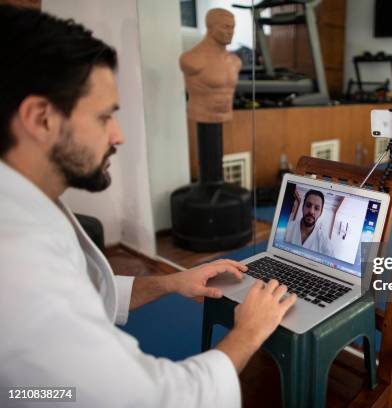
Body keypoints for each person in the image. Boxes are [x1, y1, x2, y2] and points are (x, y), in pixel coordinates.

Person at [0, 6, 295, 407]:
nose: (118, 136)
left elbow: (87, 296)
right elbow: (155, 399)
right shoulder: (18, 263)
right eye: (105, 117)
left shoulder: (25, 206)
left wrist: (170, 283)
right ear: (41, 118)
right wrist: (249, 331)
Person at [180, 8, 241, 123]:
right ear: (210, 28)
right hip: (202, 116)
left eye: (232, 27)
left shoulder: (235, 61)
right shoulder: (192, 59)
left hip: (226, 116)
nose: (230, 32)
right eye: (226, 27)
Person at [284, 189, 333, 256]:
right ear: (303, 207)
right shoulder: (286, 228)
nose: (311, 211)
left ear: (320, 213)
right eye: (308, 205)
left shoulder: (325, 243)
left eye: (316, 208)